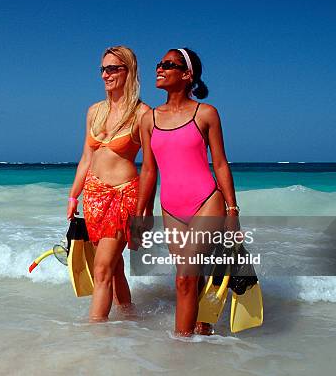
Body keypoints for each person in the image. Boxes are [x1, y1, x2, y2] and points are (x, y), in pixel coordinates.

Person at [135, 48, 240, 336]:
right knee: (192, 280)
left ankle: (179, 354)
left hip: (207, 201)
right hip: (171, 208)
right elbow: (148, 170)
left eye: (168, 64)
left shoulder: (206, 113)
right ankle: (202, 342)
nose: (160, 68)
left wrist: (232, 211)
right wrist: (141, 213)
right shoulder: (149, 119)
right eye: (159, 63)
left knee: (184, 278)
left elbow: (219, 163)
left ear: (187, 74)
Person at [67, 46, 151, 322]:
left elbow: (152, 166)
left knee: (101, 269)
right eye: (103, 69)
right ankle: (130, 319)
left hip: (122, 195)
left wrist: (145, 209)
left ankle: (96, 338)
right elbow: (85, 157)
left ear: (129, 71)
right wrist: (73, 196)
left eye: (113, 68)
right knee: (114, 269)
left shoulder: (143, 114)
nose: (106, 74)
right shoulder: (94, 111)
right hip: (93, 197)